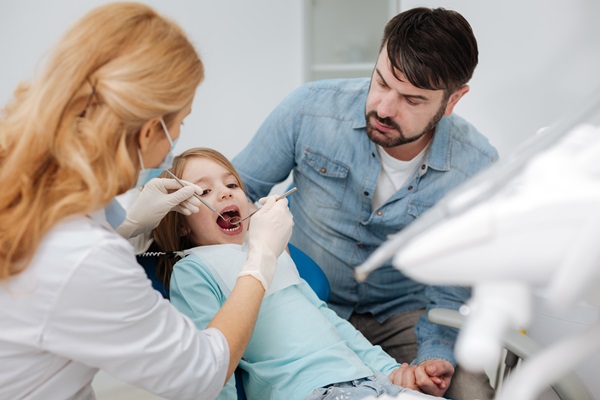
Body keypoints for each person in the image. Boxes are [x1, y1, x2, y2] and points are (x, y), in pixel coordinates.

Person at [0, 3, 292, 400]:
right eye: (180, 124)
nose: (223, 193)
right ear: (149, 131)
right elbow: (202, 374)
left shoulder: (33, 185)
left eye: (229, 184)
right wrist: (260, 262)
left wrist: (128, 229)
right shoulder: (86, 256)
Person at [232, 7, 498, 400]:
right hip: (308, 300)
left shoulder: (476, 167)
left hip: (404, 315)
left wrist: (433, 359)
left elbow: (451, 291)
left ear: (453, 100)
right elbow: (237, 192)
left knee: (470, 390)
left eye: (411, 99)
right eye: (381, 81)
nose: (385, 108)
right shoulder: (310, 109)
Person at [152, 147, 446, 400]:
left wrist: (390, 370)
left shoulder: (270, 249)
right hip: (310, 390)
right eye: (203, 191)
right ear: (180, 224)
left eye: (232, 184)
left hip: (366, 381)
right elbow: (213, 366)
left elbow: (328, 319)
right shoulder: (193, 269)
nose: (225, 191)